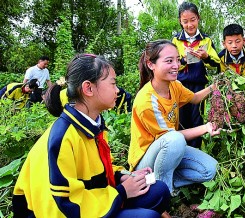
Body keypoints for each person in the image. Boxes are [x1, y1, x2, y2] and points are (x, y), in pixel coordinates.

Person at [13, 54, 171, 218]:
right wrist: (122, 193)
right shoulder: (63, 138)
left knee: (159, 191)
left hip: (91, 200)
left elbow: (99, 167)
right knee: (148, 217)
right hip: (60, 212)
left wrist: (122, 177)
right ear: (88, 88)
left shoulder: (92, 123)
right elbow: (64, 206)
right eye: (113, 83)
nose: (117, 90)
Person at [128, 40, 221, 196]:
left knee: (211, 170)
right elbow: (171, 137)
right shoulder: (147, 100)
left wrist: (215, 86)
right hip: (145, 160)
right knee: (175, 140)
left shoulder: (174, 85)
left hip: (169, 151)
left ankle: (155, 182)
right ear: (151, 65)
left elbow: (196, 98)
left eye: (178, 59)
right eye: (169, 61)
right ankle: (161, 196)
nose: (176, 65)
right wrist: (205, 128)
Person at [172, 1, 221, 148]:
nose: (189, 25)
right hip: (179, 84)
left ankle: (195, 150)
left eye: (192, 20)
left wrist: (205, 57)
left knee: (196, 118)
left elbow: (216, 63)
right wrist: (183, 60)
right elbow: (171, 63)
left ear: (198, 18)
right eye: (185, 21)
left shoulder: (206, 40)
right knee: (180, 119)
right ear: (180, 22)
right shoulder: (176, 40)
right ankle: (181, 151)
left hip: (199, 85)